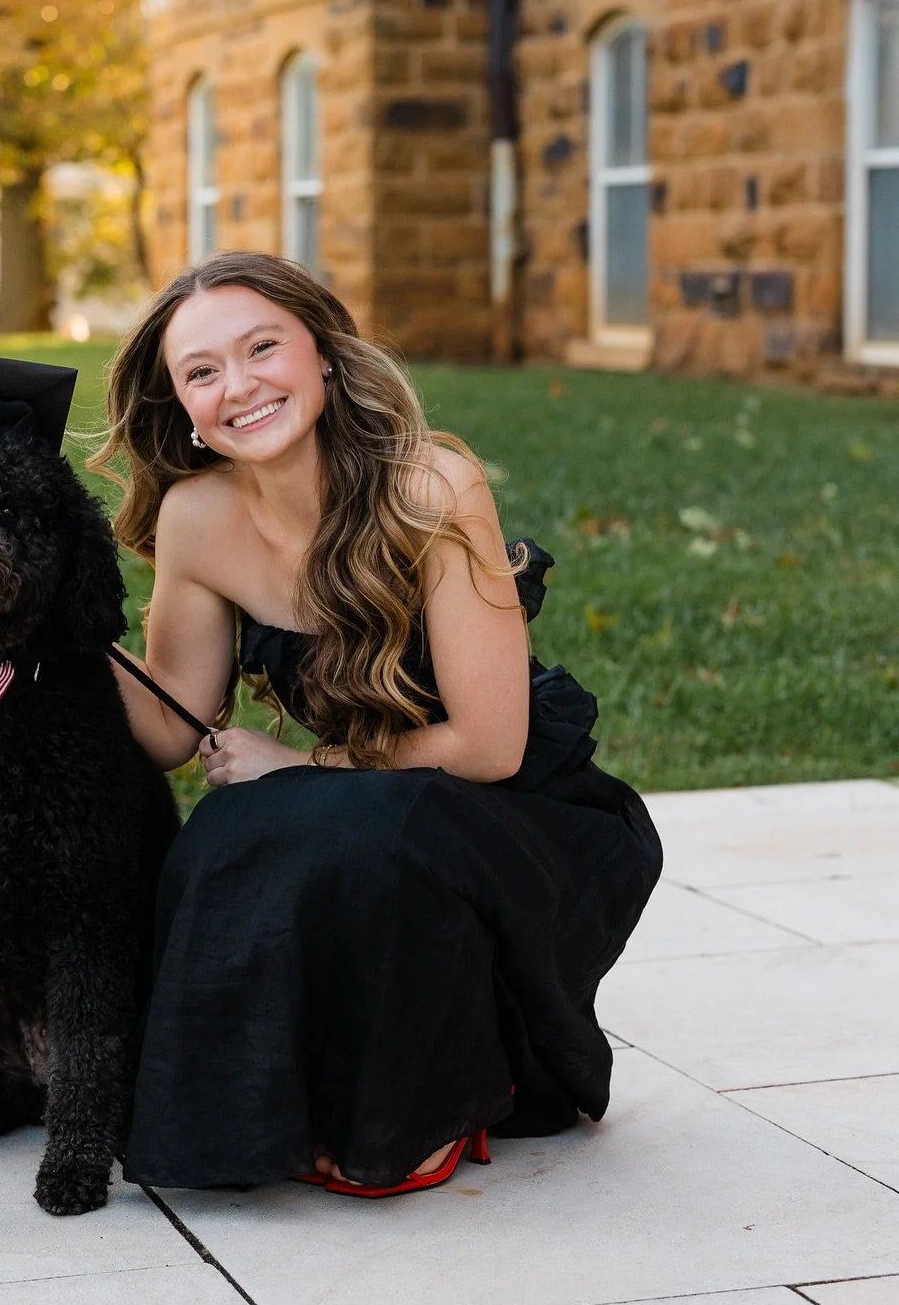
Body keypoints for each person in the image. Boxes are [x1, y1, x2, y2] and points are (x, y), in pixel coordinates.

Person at [95, 251, 662, 1196]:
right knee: (220, 840)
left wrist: (302, 764)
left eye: (261, 348)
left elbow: (488, 747)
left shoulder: (430, 487)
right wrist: (62, 631)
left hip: (516, 815)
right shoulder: (197, 518)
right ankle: (271, 1108)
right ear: (179, 403)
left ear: (321, 353)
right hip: (354, 808)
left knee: (366, 827)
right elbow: (169, 731)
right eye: (201, 372)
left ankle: (425, 1106)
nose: (238, 387)